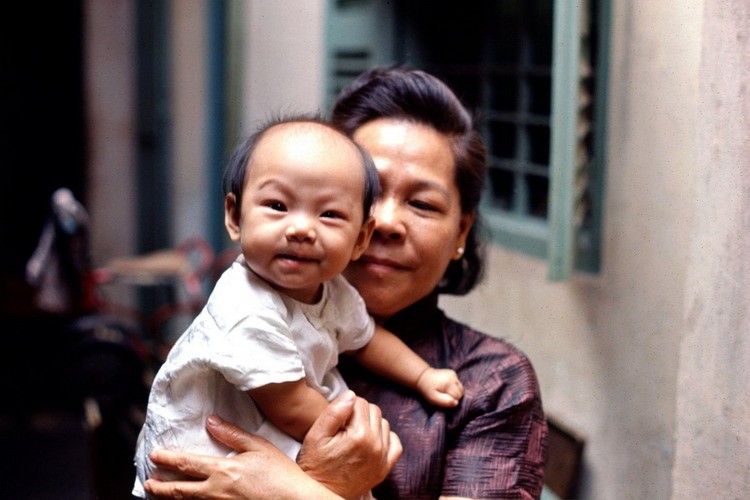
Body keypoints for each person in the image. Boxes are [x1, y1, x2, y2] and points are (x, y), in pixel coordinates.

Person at [143, 67, 548, 499]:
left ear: (461, 233)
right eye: (372, 198)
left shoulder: (490, 382)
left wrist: (298, 493)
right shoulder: (247, 322)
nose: (386, 223)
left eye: (423, 203)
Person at [132, 115, 465, 497]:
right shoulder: (244, 307)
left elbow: (368, 339)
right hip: (199, 467)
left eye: (329, 214)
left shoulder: (332, 290)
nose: (301, 229)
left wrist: (423, 376)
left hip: (266, 454)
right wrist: (359, 439)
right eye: (277, 205)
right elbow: (290, 407)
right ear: (234, 216)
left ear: (360, 238)